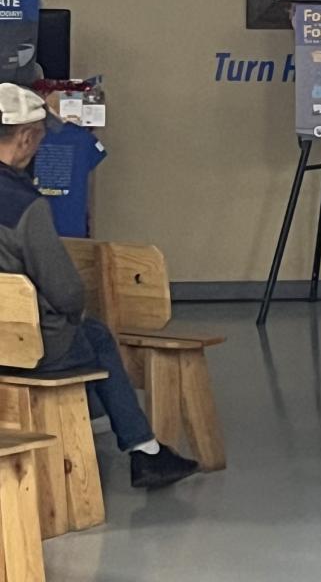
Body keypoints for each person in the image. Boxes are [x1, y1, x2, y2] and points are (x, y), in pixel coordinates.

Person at [0, 84, 198, 489]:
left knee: (86, 334)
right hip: (26, 345)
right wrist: (74, 311)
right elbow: (67, 292)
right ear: (25, 137)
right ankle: (143, 451)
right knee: (94, 334)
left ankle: (125, 438)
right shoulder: (25, 205)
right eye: (39, 138)